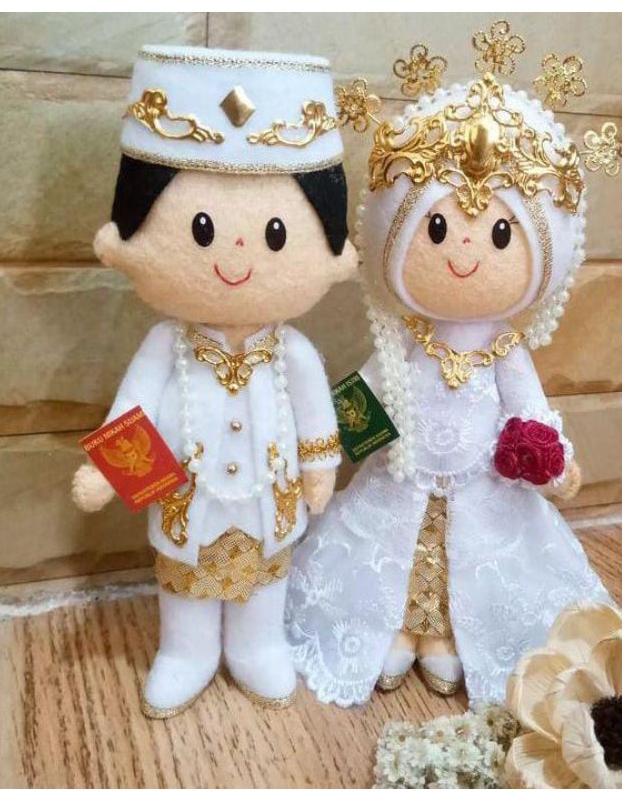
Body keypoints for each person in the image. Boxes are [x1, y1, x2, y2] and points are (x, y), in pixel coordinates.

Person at [287, 29, 617, 707]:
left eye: (499, 234)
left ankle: (443, 638)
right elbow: (368, 392)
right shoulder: (405, 344)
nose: (465, 253)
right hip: (398, 476)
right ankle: (396, 629)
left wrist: (549, 456)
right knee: (395, 555)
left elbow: (528, 406)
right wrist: (324, 450)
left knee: (466, 558)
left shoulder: (504, 351)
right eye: (436, 229)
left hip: (484, 485)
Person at [72, 46, 356, 717]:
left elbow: (317, 416)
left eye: (275, 234)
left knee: (266, 580)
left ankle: (257, 645)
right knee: (184, 579)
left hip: (268, 503)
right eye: (201, 230)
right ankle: (186, 651)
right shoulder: (165, 345)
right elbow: (134, 406)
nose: (236, 255)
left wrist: (320, 470)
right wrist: (109, 473)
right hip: (186, 498)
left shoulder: (293, 353)